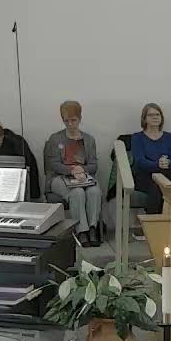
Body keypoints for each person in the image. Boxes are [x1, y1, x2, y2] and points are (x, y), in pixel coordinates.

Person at [44, 101, 102, 246]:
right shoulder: (55, 139)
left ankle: (93, 228)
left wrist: (82, 170)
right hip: (60, 177)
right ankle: (81, 230)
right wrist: (71, 170)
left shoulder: (89, 140)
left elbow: (93, 165)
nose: (70, 124)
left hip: (83, 176)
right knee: (77, 193)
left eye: (73, 120)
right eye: (66, 121)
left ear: (80, 118)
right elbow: (54, 164)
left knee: (94, 191)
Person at [132, 103, 171, 214]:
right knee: (158, 185)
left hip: (167, 173)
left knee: (163, 182)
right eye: (151, 115)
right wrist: (157, 164)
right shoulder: (137, 137)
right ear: (144, 118)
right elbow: (140, 161)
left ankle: (158, 220)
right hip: (146, 176)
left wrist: (168, 163)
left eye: (158, 114)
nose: (155, 117)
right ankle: (155, 219)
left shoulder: (170, 137)